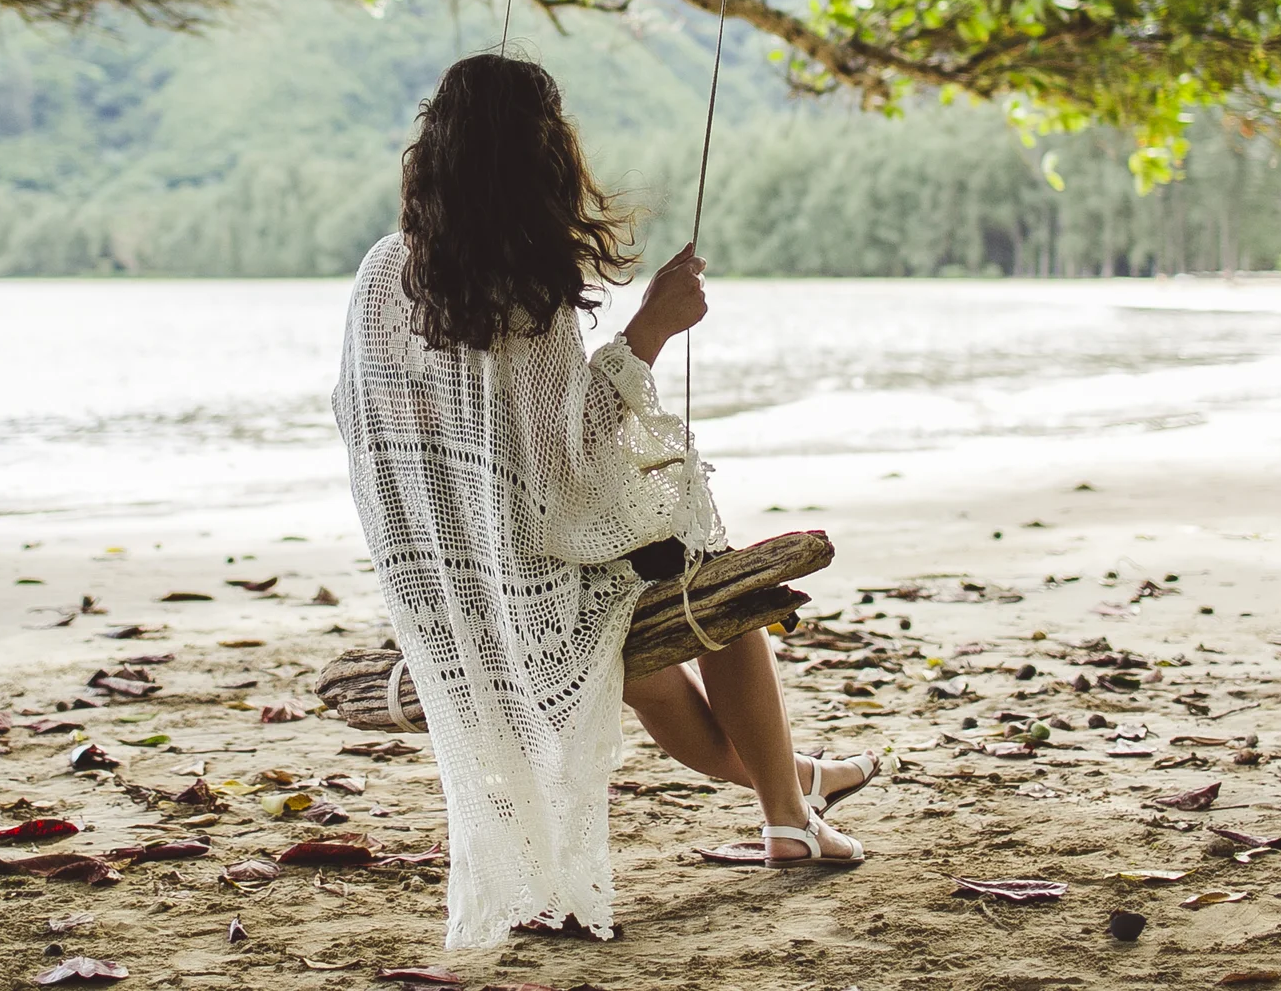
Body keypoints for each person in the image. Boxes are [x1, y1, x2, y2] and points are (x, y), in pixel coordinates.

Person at [332, 53, 877, 950]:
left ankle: (795, 796)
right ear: (540, 156)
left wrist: (447, 550)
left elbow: (368, 430)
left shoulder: (378, 273)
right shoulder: (524, 291)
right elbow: (562, 465)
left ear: (435, 150)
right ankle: (790, 805)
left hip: (442, 585)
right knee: (721, 594)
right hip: (538, 580)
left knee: (663, 688)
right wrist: (649, 330)